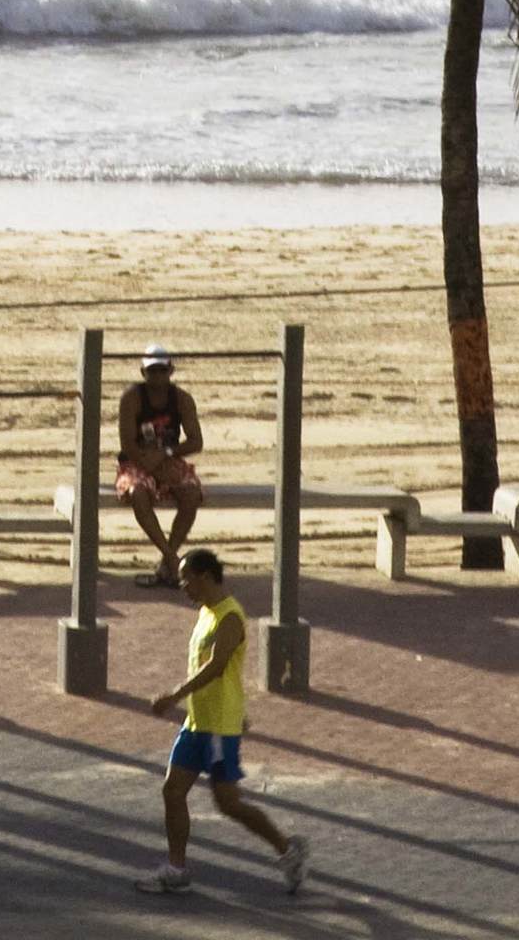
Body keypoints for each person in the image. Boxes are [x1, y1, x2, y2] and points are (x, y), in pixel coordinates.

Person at [137, 548, 310, 896]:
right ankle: (176, 868)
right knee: (172, 790)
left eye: (186, 577)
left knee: (228, 802)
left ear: (204, 576)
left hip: (217, 728)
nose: (182, 585)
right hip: (198, 722)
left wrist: (174, 696)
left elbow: (217, 667)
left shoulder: (229, 617)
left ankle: (287, 849)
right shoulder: (206, 612)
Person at [116, 341, 204, 588]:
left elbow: (196, 441)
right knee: (138, 493)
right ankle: (173, 559)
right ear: (143, 373)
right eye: (152, 371)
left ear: (171, 370)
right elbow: (127, 443)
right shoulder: (132, 398)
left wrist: (166, 453)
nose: (157, 376)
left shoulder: (182, 399)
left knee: (191, 493)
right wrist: (149, 464)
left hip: (168, 458)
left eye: (161, 370)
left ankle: (166, 563)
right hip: (136, 461)